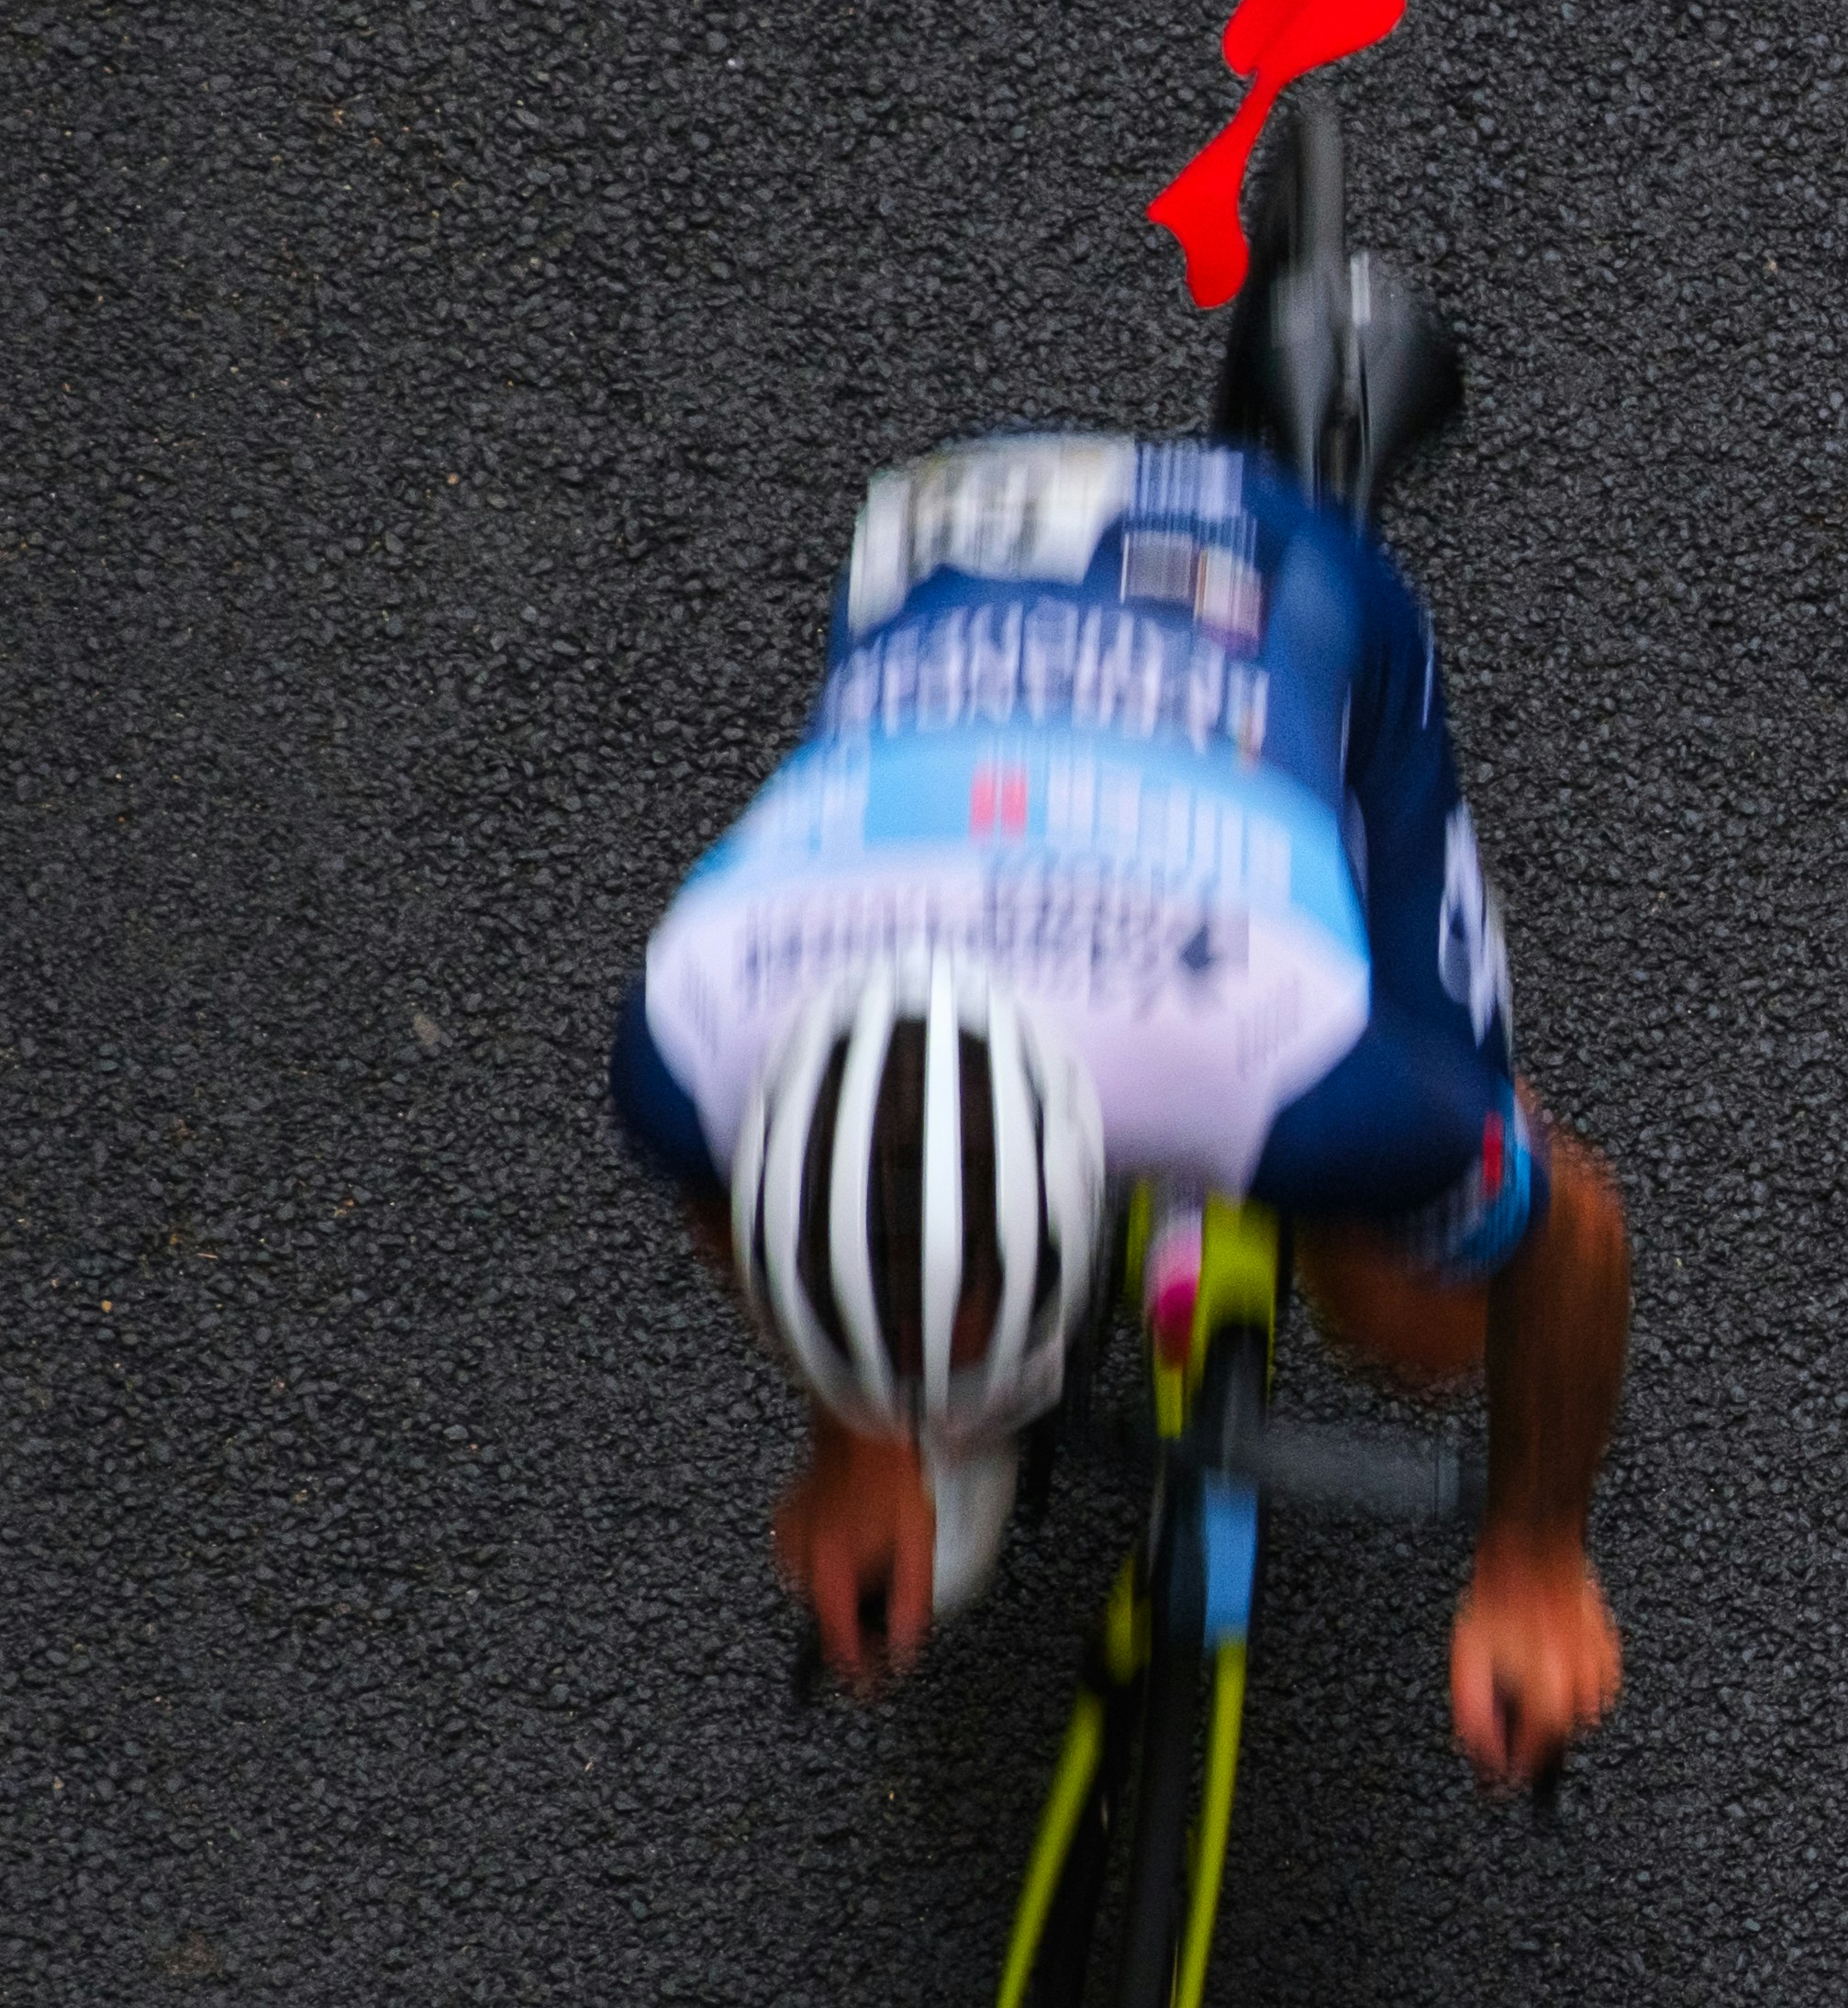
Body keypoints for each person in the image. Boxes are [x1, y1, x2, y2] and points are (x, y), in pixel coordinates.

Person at [606, 205, 1627, 1783]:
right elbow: (721, 1195)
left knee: (1415, 1313)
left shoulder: (1288, 1054)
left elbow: (1571, 1228)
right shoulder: (694, 1043)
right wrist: (856, 1436)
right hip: (954, 586)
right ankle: (949, 1387)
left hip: (1271, 610)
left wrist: (1535, 1557)